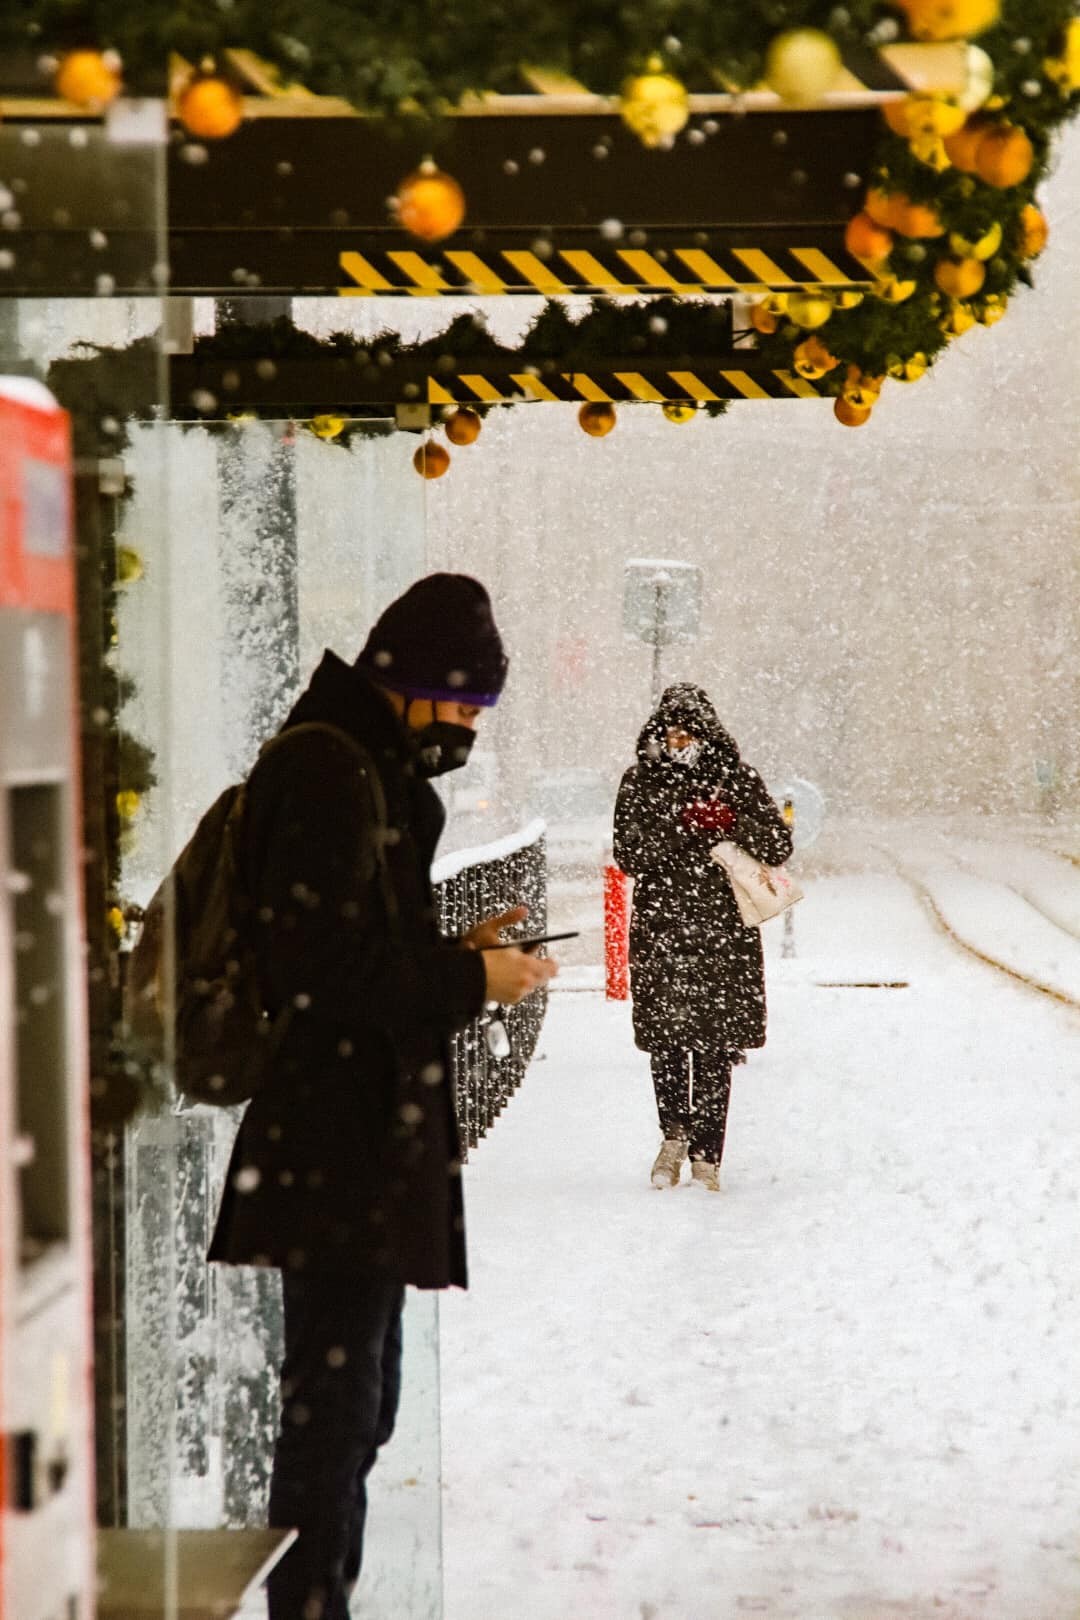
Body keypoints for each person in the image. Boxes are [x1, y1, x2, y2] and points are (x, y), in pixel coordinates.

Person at [207, 573, 556, 1620]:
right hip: (333, 1149)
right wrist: (466, 982)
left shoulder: (362, 762)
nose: (467, 728)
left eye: (481, 711)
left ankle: (319, 1603)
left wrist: (457, 952)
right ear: (402, 682)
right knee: (333, 1424)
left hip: (350, 1148)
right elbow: (322, 969)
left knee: (357, 1416)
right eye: (459, 703)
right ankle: (311, 1609)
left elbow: (349, 952)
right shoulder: (329, 769)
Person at [612, 683, 792, 1193]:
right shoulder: (640, 782)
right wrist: (684, 826)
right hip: (663, 927)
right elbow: (629, 854)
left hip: (723, 928)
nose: (679, 739)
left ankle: (708, 1154)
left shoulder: (736, 780)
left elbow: (779, 843)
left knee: (715, 1042)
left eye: (688, 730)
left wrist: (729, 822)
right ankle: (673, 1136)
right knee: (666, 1040)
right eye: (670, 730)